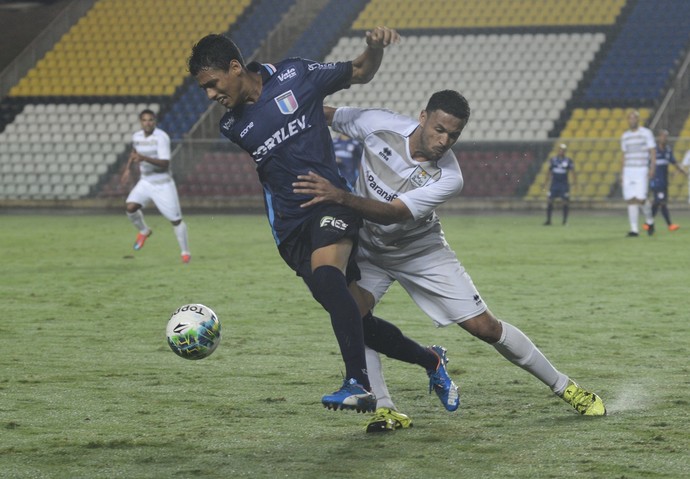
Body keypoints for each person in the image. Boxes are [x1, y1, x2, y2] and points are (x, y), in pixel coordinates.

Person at [293, 90, 606, 432]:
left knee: (485, 328)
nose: (444, 141)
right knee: (356, 316)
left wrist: (339, 196)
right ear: (423, 117)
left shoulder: (449, 177)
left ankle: (566, 387)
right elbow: (324, 113)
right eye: (439, 129)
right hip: (368, 249)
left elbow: (392, 214)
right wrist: (276, 106)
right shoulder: (379, 123)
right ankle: (386, 409)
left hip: (421, 252)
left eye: (453, 135)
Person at [187, 28, 400, 413]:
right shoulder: (232, 126)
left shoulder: (296, 75)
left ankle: (357, 383)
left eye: (212, 84)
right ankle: (431, 360)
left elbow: (360, 71)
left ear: (235, 68)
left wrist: (372, 47)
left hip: (331, 202)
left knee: (327, 277)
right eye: (204, 89)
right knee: (354, 314)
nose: (210, 96)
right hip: (291, 228)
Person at [121, 109, 191, 263]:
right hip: (146, 181)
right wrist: (127, 169)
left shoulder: (161, 137)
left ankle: (185, 252)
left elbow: (165, 164)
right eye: (145, 120)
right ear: (140, 122)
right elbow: (134, 152)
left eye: (151, 120)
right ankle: (144, 231)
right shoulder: (137, 137)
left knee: (175, 220)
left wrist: (143, 158)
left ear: (155, 122)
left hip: (163, 183)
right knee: (130, 207)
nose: (148, 123)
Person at [620, 109, 656, 237]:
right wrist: (622, 172)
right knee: (630, 200)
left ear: (638, 120)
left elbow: (652, 151)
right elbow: (624, 155)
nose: (632, 120)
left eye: (634, 118)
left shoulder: (646, 133)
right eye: (630, 118)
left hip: (641, 169)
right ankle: (634, 229)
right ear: (628, 120)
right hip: (628, 169)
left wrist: (652, 167)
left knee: (641, 199)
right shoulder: (625, 136)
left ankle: (650, 221)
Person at [650, 129, 688, 231]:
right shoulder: (654, 150)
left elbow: (674, 162)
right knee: (661, 202)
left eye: (666, 136)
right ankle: (669, 225)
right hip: (656, 180)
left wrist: (683, 172)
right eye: (663, 136)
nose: (664, 138)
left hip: (664, 181)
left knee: (658, 202)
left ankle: (648, 222)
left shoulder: (668, 150)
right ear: (659, 137)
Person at [542, 143, 576, 226]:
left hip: (563, 184)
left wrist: (575, 184)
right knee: (550, 201)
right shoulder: (553, 160)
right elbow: (549, 172)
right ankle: (548, 220)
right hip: (554, 184)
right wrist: (545, 183)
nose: (561, 151)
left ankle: (564, 221)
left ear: (565, 151)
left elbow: (572, 172)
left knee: (565, 201)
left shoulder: (568, 160)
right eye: (560, 149)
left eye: (563, 150)